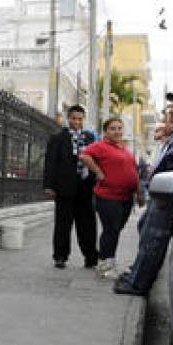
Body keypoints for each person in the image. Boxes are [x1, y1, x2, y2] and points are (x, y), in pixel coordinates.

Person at [113, 92, 173, 296]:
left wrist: (162, 183)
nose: (171, 110)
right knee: (145, 230)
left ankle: (138, 285)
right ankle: (135, 275)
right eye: (169, 107)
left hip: (167, 195)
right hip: (161, 192)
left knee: (153, 239)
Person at [79, 117, 144, 280]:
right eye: (113, 128)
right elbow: (84, 156)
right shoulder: (101, 146)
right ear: (106, 131)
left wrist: (139, 192)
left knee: (115, 230)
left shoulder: (124, 148)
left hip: (126, 197)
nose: (117, 131)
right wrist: (99, 172)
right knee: (111, 230)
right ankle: (104, 266)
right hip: (108, 196)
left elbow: (133, 171)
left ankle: (109, 262)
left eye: (119, 128)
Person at [43, 105, 99, 269]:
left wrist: (96, 181)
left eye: (80, 119)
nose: (77, 121)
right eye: (74, 118)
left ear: (83, 119)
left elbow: (97, 160)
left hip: (85, 187)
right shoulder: (58, 138)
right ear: (69, 119)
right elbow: (50, 162)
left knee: (87, 224)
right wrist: (49, 186)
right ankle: (60, 256)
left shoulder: (90, 137)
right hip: (64, 187)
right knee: (63, 224)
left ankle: (91, 257)